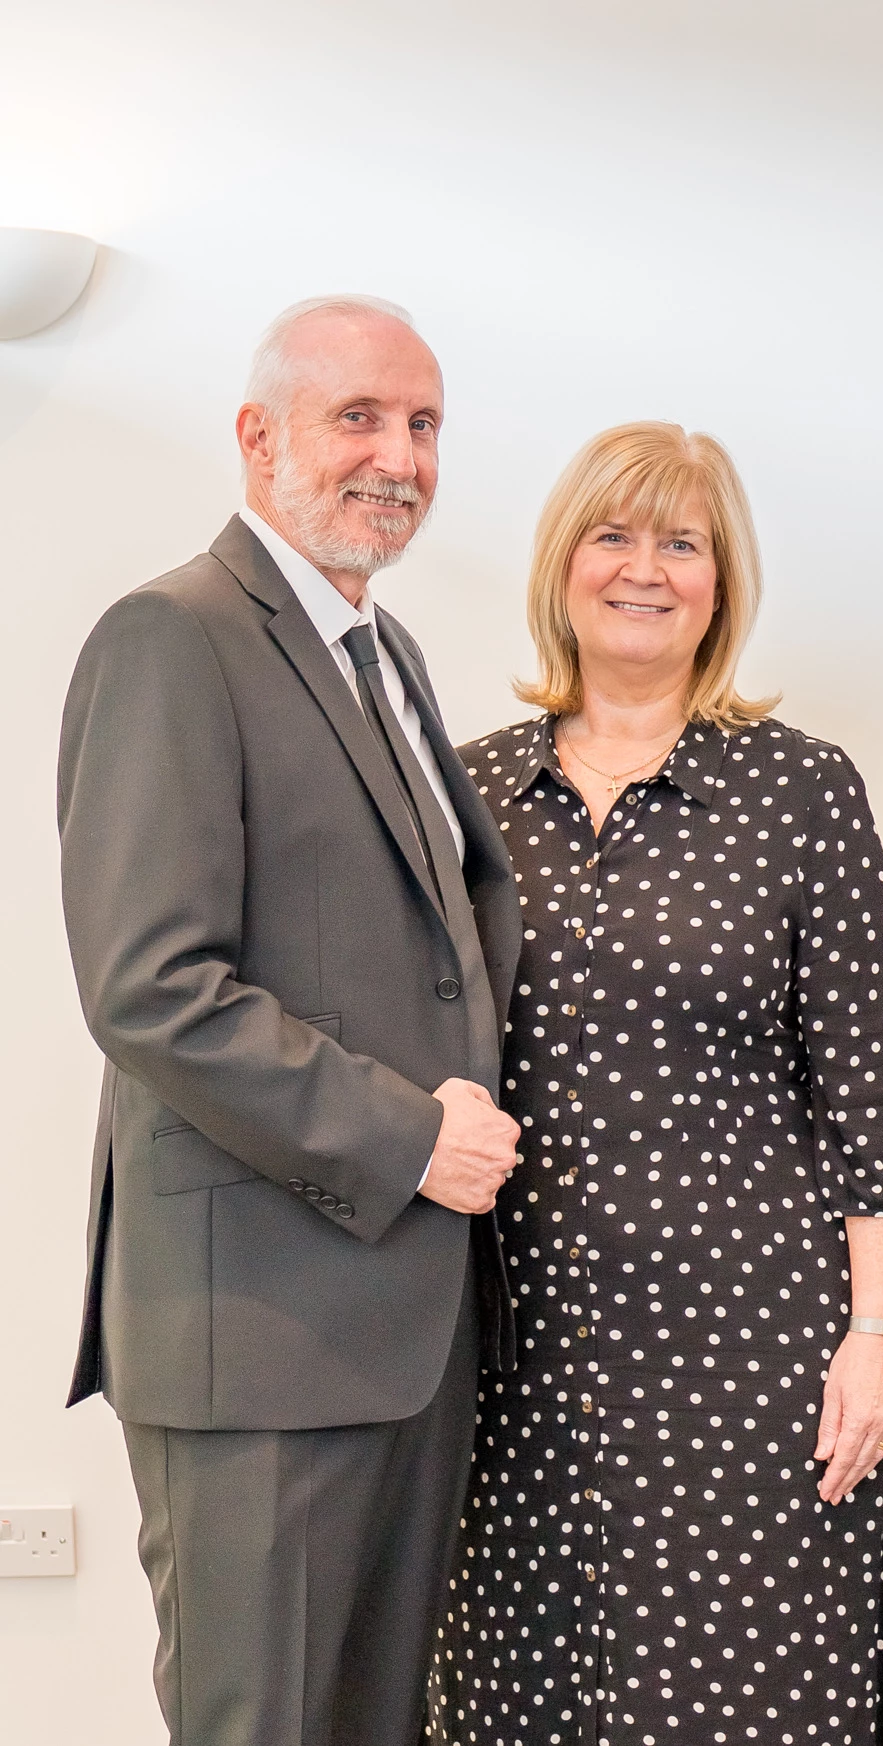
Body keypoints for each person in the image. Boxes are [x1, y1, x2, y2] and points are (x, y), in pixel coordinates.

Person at [57, 295, 523, 1745]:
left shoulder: (390, 658)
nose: (399, 455)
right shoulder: (172, 636)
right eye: (360, 417)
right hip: (258, 1331)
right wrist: (409, 1136)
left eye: (425, 423)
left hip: (400, 1326)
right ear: (260, 438)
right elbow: (151, 986)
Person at [435, 422, 883, 1742]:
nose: (643, 568)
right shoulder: (467, 790)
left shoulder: (801, 790)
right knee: (534, 1691)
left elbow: (875, 1095)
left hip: (757, 1351)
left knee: (749, 1694)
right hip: (518, 1347)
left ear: (722, 581)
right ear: (563, 564)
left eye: (681, 541)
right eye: (613, 533)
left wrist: (875, 1339)